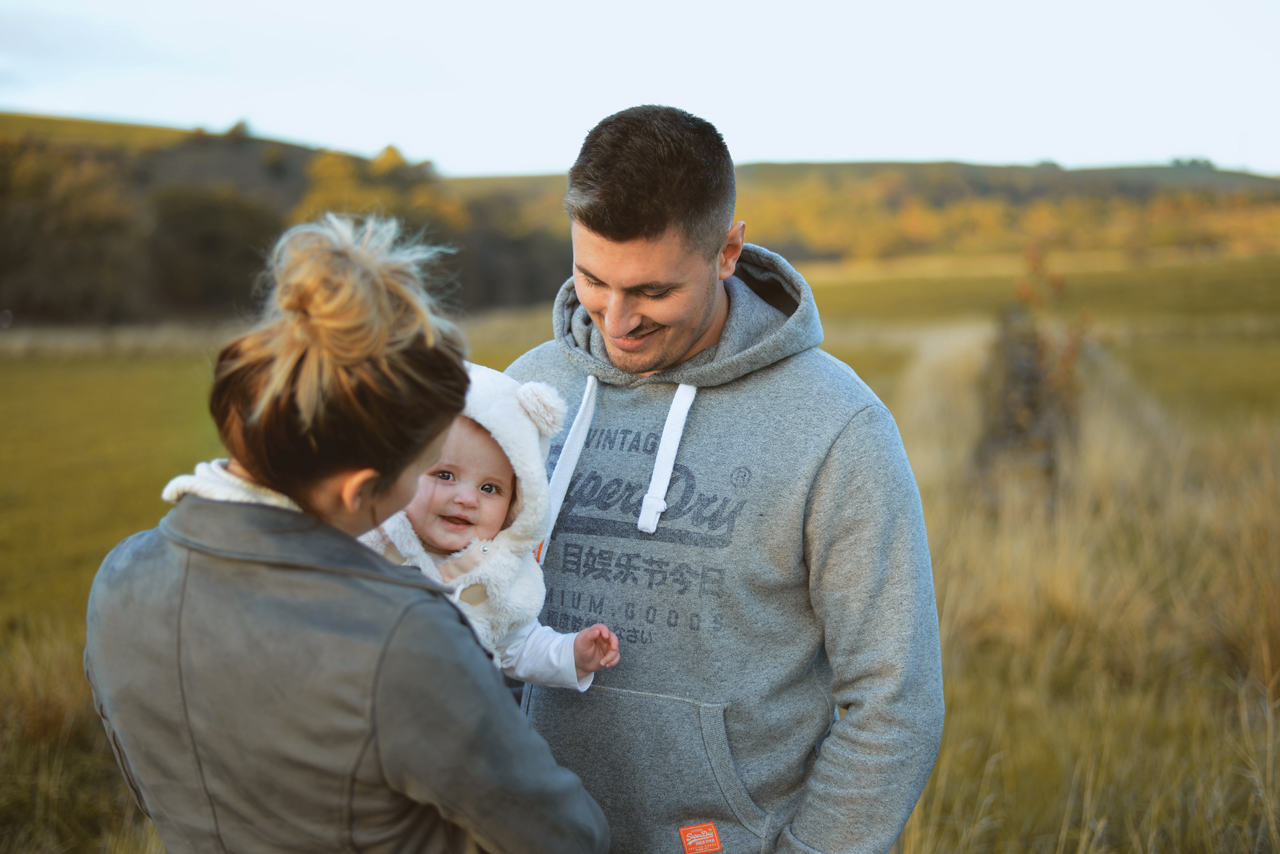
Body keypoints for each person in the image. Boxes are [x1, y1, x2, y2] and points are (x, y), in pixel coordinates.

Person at [84, 215, 609, 854]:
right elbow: (567, 837)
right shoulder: (404, 635)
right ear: (359, 490)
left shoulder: (121, 576)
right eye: (423, 466)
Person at [506, 106, 945, 854]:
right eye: (592, 279)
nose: (616, 319)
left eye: (652, 291)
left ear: (728, 251)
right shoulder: (527, 394)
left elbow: (893, 698)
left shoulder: (835, 425)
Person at [362, 362, 621, 690]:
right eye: (444, 476)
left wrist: (572, 657)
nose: (467, 499)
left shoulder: (497, 575)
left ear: (517, 504)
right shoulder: (368, 539)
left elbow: (520, 648)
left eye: (489, 489)